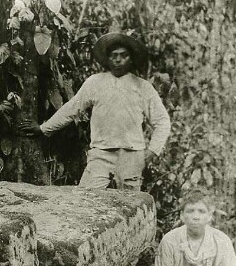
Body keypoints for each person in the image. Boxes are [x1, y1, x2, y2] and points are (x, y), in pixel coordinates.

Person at [20, 32, 170, 190]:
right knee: (86, 200)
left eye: (123, 55)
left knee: (129, 205)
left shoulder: (143, 87)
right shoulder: (95, 82)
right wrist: (43, 128)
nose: (118, 60)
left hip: (131, 155)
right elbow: (72, 108)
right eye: (114, 55)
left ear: (131, 58)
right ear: (107, 59)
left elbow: (162, 121)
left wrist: (152, 151)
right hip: (101, 154)